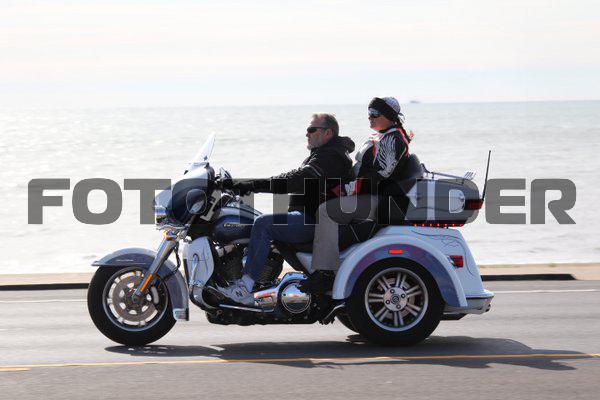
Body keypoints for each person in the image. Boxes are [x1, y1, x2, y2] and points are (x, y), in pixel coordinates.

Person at [217, 113, 355, 305]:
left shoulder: (331, 157)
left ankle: (245, 287)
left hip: (313, 221)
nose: (307, 134)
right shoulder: (324, 154)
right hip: (309, 216)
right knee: (254, 221)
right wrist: (243, 185)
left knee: (264, 223)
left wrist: (249, 185)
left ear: (328, 133)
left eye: (312, 129)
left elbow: (293, 180)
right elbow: (292, 178)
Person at [303, 97, 412, 293]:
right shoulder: (382, 136)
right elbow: (362, 171)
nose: (370, 118)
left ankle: (325, 273)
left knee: (326, 211)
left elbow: (380, 177)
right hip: (367, 193)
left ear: (389, 116)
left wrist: (343, 190)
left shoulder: (394, 140)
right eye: (369, 113)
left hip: (381, 200)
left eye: (375, 114)